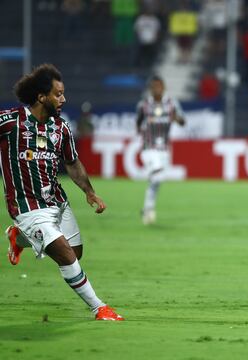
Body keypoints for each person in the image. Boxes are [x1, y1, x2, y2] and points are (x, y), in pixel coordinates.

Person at [1, 64, 124, 321]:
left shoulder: (61, 128)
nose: (64, 99)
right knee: (66, 256)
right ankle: (99, 308)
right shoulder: (11, 122)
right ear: (41, 96)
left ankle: (19, 237)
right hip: (28, 207)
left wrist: (89, 192)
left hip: (57, 200)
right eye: (58, 94)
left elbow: (71, 162)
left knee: (75, 254)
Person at [136, 75, 185, 225]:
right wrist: (143, 131)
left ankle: (147, 209)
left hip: (164, 148)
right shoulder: (144, 105)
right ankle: (148, 207)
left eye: (159, 86)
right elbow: (138, 122)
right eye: (154, 86)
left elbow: (182, 121)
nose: (157, 89)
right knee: (156, 171)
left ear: (163, 87)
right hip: (148, 147)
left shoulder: (171, 103)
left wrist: (176, 118)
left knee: (156, 181)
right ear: (150, 89)